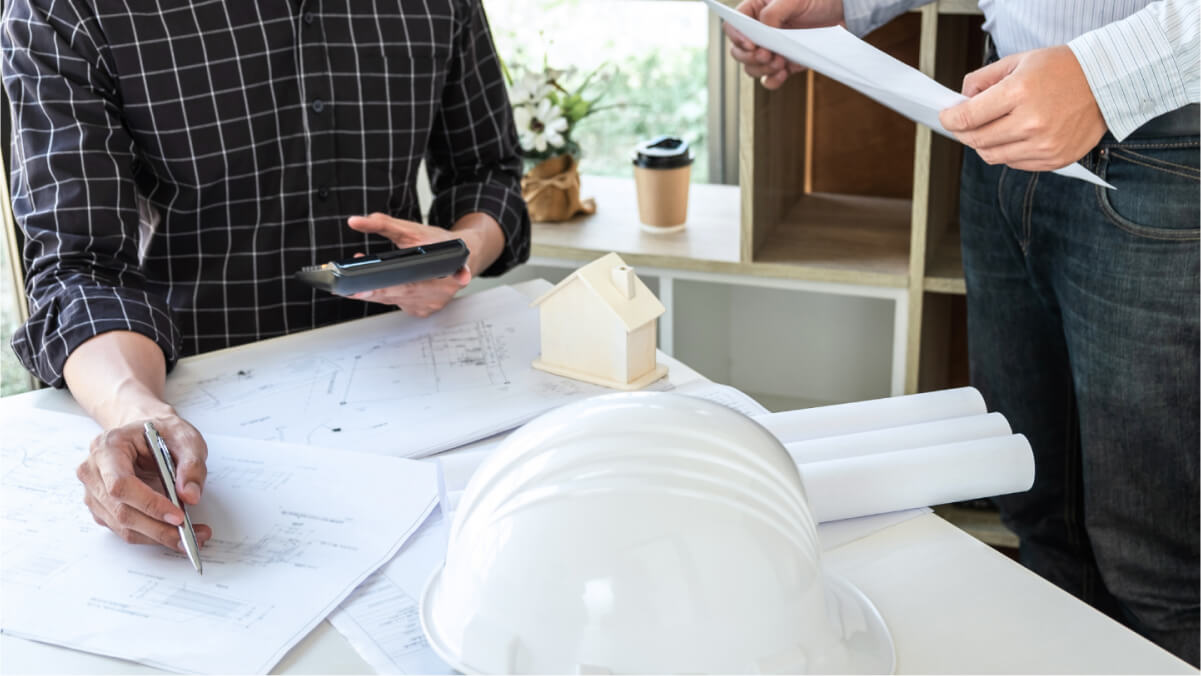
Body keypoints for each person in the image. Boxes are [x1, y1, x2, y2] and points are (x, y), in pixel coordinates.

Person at [725, 0, 1199, 666]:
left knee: (1161, 567)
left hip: (1171, 141)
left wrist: (1104, 75)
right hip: (1004, 115)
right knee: (1036, 511)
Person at [2, 2, 530, 557]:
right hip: (202, 431)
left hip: (417, 402)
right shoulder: (66, 9)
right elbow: (80, 269)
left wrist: (458, 251)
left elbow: (487, 172)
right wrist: (135, 412)